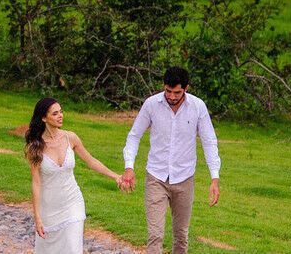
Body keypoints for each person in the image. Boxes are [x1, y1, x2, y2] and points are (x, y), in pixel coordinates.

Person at [120, 66, 221, 254]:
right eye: (168, 91)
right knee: (155, 235)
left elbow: (209, 141)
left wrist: (214, 178)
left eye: (177, 92)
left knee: (181, 235)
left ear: (186, 89)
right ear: (163, 86)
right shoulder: (151, 104)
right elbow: (134, 136)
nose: (172, 96)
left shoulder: (198, 107)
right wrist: (129, 167)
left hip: (184, 178)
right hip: (156, 177)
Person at [26, 97, 123, 253]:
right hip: (49, 209)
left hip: (72, 203)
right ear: (44, 118)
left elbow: (91, 161)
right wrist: (37, 217)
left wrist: (115, 176)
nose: (60, 116)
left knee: (72, 248)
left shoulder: (70, 137)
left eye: (61, 111)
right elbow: (36, 183)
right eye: (55, 113)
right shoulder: (35, 147)